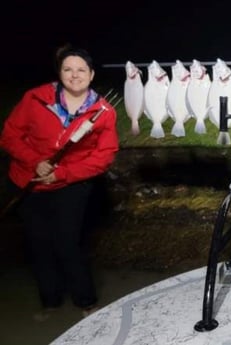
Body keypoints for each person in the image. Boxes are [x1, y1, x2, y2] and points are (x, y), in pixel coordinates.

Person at [0, 44, 119, 320]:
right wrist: (34, 161)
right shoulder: (35, 98)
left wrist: (62, 173)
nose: (74, 75)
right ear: (59, 73)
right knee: (38, 243)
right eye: (68, 69)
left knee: (68, 242)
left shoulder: (103, 112)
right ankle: (50, 301)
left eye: (81, 70)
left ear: (91, 75)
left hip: (70, 184)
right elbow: (9, 136)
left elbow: (103, 158)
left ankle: (86, 301)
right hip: (28, 182)